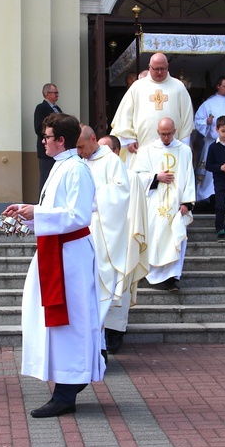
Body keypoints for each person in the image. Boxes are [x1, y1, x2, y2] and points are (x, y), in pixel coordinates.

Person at [3, 113, 105, 418]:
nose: (43, 142)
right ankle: (70, 381)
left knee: (69, 320)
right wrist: (27, 215)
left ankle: (66, 390)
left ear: (61, 139)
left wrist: (37, 213)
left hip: (69, 257)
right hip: (55, 252)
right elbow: (53, 211)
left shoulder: (76, 169)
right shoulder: (61, 167)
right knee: (56, 319)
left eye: (46, 137)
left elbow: (77, 216)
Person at [76, 125, 132, 350]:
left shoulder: (112, 161)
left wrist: (90, 201)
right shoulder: (80, 161)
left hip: (105, 231)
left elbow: (121, 192)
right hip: (83, 229)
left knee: (106, 281)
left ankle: (109, 338)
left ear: (93, 139)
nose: (79, 151)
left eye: (81, 146)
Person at [97, 135, 149, 353]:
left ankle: (115, 333)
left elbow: (134, 214)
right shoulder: (92, 173)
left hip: (122, 241)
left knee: (121, 288)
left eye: (105, 150)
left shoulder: (130, 177)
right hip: (99, 240)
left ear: (117, 152)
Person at [132, 117, 195, 292]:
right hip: (154, 203)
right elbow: (136, 175)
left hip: (176, 206)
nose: (165, 137)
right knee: (154, 237)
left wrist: (187, 203)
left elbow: (189, 176)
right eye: (162, 134)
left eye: (168, 134)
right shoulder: (147, 151)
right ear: (158, 133)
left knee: (176, 237)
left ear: (174, 131)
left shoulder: (184, 150)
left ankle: (171, 277)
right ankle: (150, 275)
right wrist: (156, 177)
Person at [111, 52, 194, 167]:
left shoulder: (178, 87)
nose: (159, 72)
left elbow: (187, 117)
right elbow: (124, 115)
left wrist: (183, 144)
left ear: (167, 67)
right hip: (141, 148)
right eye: (156, 69)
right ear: (149, 67)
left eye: (162, 69)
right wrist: (129, 139)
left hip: (172, 148)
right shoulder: (138, 87)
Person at [194, 76, 225, 205]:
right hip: (212, 142)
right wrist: (206, 122)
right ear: (218, 86)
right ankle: (207, 196)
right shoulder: (208, 103)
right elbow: (197, 121)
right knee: (210, 173)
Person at [34, 83, 63, 191]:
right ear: (47, 94)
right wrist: (53, 135)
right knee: (46, 178)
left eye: (57, 93)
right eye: (55, 93)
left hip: (58, 150)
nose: (57, 95)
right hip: (46, 151)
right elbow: (38, 128)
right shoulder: (41, 108)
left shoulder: (57, 108)